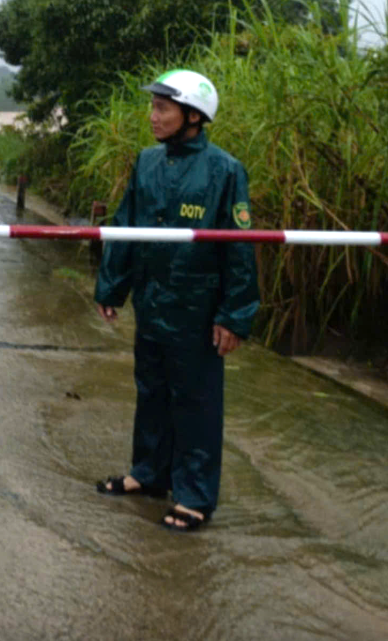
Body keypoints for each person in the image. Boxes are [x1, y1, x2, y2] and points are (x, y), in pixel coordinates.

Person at [94, 69, 259, 531]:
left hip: (196, 308)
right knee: (151, 392)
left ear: (193, 115)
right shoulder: (146, 163)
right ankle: (148, 474)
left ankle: (195, 497)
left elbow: (239, 247)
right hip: (152, 302)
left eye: (163, 109)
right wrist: (112, 287)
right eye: (153, 107)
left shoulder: (224, 170)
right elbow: (126, 225)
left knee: (196, 402)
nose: (153, 116)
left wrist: (234, 315)